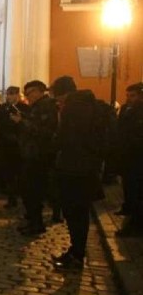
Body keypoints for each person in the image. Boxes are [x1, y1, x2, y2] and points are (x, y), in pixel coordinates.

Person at [49, 76, 107, 269]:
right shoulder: (91, 105)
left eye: (57, 97)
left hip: (73, 168)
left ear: (64, 93)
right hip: (87, 167)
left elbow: (66, 139)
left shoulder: (73, 109)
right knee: (79, 213)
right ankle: (77, 252)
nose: (57, 101)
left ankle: (76, 254)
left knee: (75, 213)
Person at [13, 80, 57, 236]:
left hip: (39, 156)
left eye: (29, 92)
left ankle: (36, 223)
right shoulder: (36, 107)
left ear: (39, 91)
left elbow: (43, 131)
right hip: (31, 154)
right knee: (28, 191)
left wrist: (22, 122)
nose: (27, 96)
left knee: (33, 191)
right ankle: (33, 221)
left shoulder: (46, 107)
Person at [116, 83, 143, 235]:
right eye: (127, 95)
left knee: (136, 192)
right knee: (129, 188)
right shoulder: (127, 109)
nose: (129, 99)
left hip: (137, 157)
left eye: (132, 95)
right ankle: (130, 211)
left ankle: (136, 224)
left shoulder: (139, 112)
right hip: (127, 156)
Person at [0, 86, 29, 208]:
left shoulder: (24, 108)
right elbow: (0, 124)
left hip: (19, 145)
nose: (9, 96)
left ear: (17, 95)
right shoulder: (3, 108)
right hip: (6, 144)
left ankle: (22, 196)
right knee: (8, 172)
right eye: (8, 94)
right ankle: (11, 198)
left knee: (20, 172)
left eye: (12, 94)